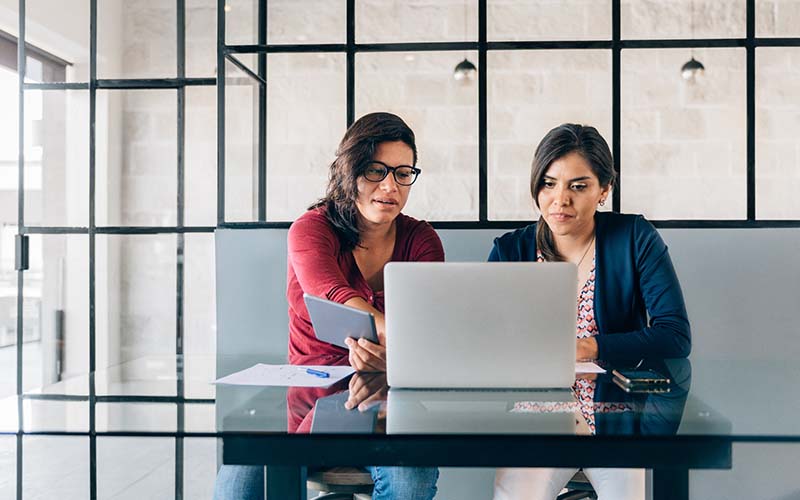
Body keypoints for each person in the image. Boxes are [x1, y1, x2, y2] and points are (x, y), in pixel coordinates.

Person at [213, 112, 442, 500]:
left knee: (410, 481)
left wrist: (400, 356)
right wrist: (403, 345)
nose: (390, 186)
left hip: (393, 405)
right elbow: (334, 297)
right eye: (376, 171)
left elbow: (429, 326)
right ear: (350, 172)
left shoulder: (421, 240)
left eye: (403, 173)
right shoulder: (311, 229)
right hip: (311, 405)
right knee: (236, 488)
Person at [489, 123, 691, 500]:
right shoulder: (509, 251)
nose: (559, 199)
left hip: (615, 420)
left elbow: (675, 335)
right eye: (548, 183)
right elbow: (485, 340)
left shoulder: (634, 238)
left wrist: (588, 347)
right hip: (535, 422)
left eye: (577, 186)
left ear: (604, 189)